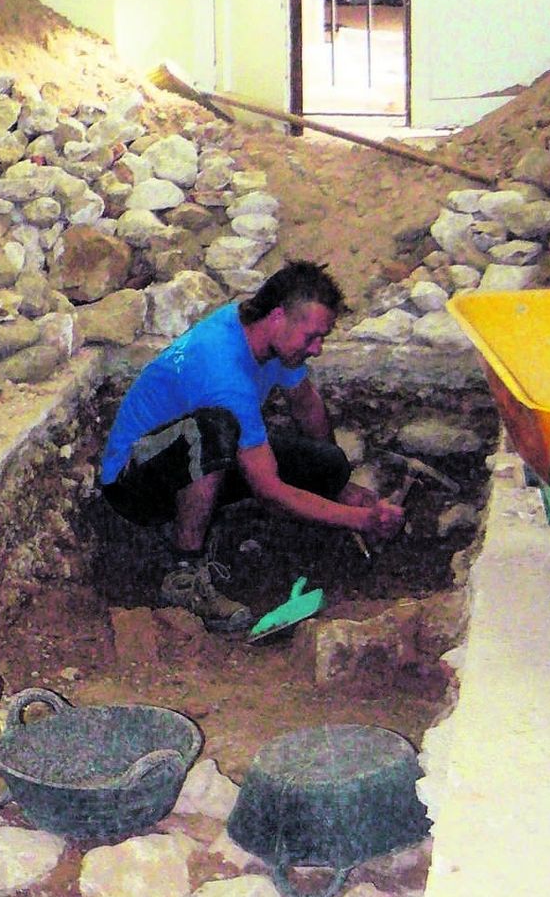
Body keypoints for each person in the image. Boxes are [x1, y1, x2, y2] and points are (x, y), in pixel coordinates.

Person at [99, 260, 404, 632]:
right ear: (278, 317)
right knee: (214, 430)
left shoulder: (260, 336)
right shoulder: (223, 372)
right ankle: (184, 573)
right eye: (312, 337)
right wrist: (360, 519)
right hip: (134, 485)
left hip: (188, 459)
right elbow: (270, 490)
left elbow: (305, 404)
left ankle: (229, 518)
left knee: (327, 462)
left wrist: (336, 485)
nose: (318, 349)